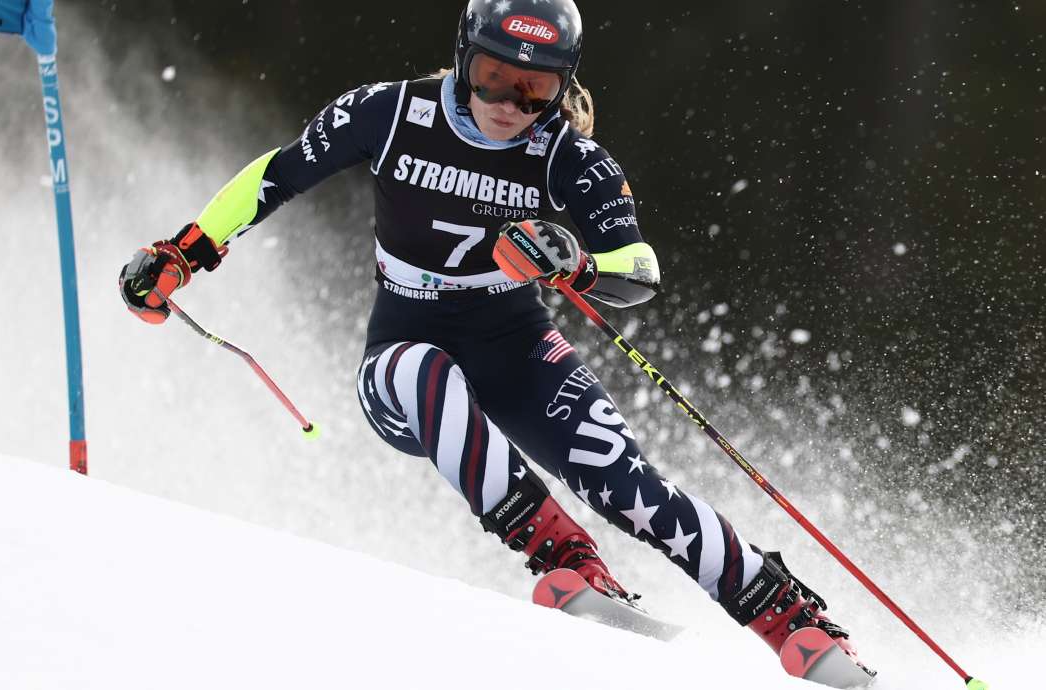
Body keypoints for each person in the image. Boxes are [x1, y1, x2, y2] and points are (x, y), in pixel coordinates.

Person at [120, 0, 871, 680]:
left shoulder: (566, 157)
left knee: (625, 483)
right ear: (461, 58)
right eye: (492, 78)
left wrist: (574, 261)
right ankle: (563, 556)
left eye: (535, 90)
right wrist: (185, 252)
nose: (510, 105)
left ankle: (792, 619)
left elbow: (638, 267)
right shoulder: (390, 113)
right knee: (424, 371)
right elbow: (275, 175)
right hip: (400, 357)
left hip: (516, 345)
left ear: (562, 85)